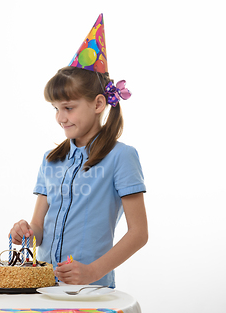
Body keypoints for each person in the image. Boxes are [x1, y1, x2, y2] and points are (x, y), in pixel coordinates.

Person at [10, 14, 147, 288]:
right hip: (44, 286)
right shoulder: (51, 161)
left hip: (91, 290)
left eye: (68, 108)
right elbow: (38, 226)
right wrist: (25, 232)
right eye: (56, 109)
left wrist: (93, 271)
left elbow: (139, 233)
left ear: (98, 104)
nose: (61, 118)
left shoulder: (121, 158)